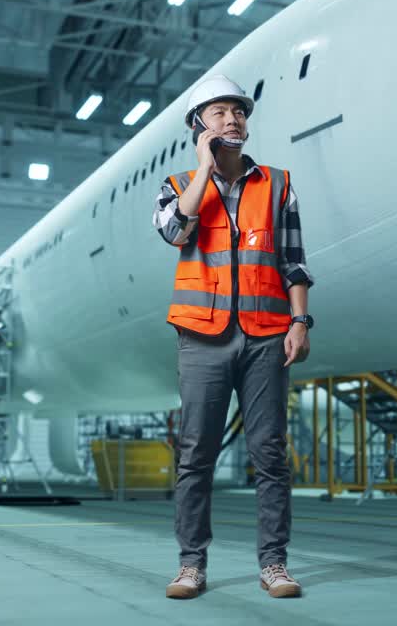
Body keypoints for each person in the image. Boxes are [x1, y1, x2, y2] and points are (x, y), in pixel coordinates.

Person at [152, 74, 315, 600]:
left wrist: (299, 321)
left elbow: (294, 261)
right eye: (219, 112)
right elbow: (176, 232)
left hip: (267, 336)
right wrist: (203, 168)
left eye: (239, 112)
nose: (233, 120)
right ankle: (190, 565)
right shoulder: (177, 186)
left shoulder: (278, 184)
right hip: (203, 337)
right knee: (196, 454)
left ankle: (275, 564)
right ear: (199, 125)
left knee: (269, 453)